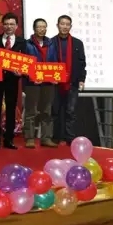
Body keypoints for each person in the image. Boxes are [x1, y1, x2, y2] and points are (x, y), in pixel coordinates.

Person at [0, 12, 25, 149]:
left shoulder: (22, 42)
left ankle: (9, 139)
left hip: (12, 81)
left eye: (12, 24)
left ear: (16, 26)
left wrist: (21, 71)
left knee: (11, 110)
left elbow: (26, 62)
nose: (9, 26)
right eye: (6, 24)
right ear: (2, 25)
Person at [22, 18, 59, 149]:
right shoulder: (27, 44)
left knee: (47, 111)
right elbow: (24, 64)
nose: (42, 29)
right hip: (32, 83)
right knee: (31, 111)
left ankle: (46, 138)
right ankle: (29, 138)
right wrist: (31, 76)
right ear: (34, 28)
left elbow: (55, 62)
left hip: (48, 82)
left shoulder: (51, 44)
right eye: (39, 27)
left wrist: (56, 76)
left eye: (44, 27)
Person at [51, 15, 87, 146]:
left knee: (70, 112)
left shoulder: (78, 43)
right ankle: (55, 137)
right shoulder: (51, 42)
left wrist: (82, 79)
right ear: (57, 25)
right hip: (55, 83)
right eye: (62, 24)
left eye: (67, 24)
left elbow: (82, 63)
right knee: (55, 111)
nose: (65, 27)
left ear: (70, 27)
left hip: (72, 82)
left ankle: (70, 138)